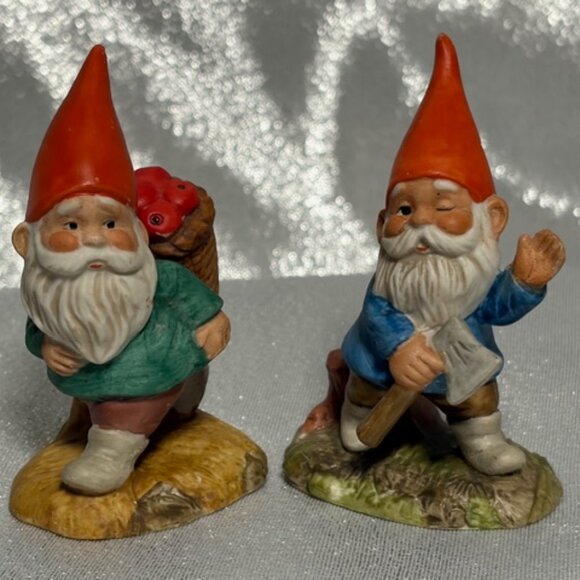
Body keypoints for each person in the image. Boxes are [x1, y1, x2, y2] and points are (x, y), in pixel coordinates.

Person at [339, 34, 565, 475]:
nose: (422, 222)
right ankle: (356, 414)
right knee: (366, 382)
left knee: (477, 398)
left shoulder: (472, 278)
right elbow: (378, 313)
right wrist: (400, 346)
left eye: (444, 208)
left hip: (457, 364)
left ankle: (481, 440)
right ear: (382, 224)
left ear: (491, 218)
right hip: (386, 364)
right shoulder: (392, 280)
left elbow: (496, 306)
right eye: (405, 210)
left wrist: (523, 281)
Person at [11, 46, 230, 495]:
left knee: (139, 397)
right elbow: (38, 327)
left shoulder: (153, 277)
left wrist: (213, 319)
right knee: (129, 396)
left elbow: (189, 294)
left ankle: (113, 449)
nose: (94, 239)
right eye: (72, 225)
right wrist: (46, 345)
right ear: (27, 243)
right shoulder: (48, 291)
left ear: (138, 233)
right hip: (87, 375)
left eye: (110, 224)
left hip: (155, 364)